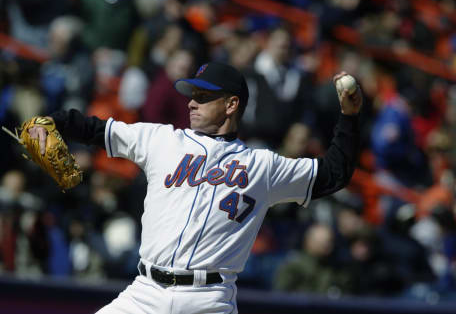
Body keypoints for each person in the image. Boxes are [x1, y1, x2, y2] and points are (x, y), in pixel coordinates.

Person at [27, 62, 362, 314]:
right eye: (192, 95)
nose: (191, 103)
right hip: (145, 293)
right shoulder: (160, 140)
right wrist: (51, 121)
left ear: (231, 105)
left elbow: (334, 172)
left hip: (208, 300)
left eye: (202, 97)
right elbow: (93, 128)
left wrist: (349, 116)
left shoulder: (264, 166)